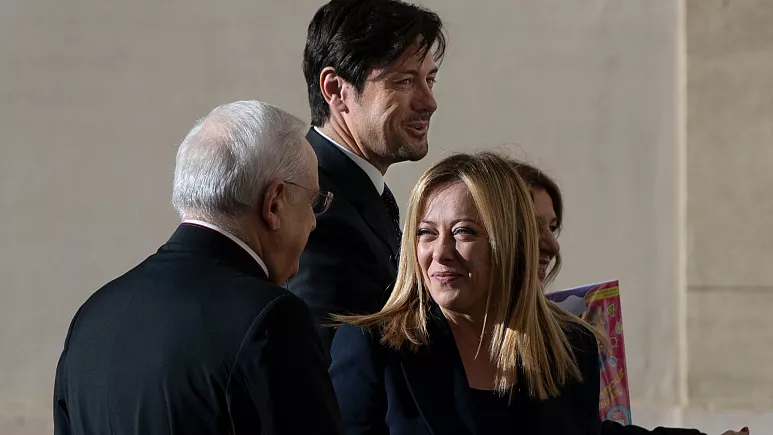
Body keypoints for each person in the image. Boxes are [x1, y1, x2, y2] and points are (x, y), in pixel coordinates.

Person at [53, 101, 342, 435]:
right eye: (312, 203)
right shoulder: (271, 319)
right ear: (273, 203)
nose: (313, 223)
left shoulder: (92, 316)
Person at [328, 152, 603, 434]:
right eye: (426, 232)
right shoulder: (373, 348)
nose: (441, 253)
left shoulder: (572, 348)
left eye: (463, 232)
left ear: (511, 241)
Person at [511, 159, 750, 435]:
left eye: (552, 228)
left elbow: (591, 431)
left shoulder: (571, 340)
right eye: (533, 226)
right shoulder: (468, 343)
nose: (552, 244)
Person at [286, 0, 446, 357]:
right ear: (335, 90)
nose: (429, 101)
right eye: (404, 80)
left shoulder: (352, 191)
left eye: (429, 80)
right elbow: (327, 368)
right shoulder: (312, 206)